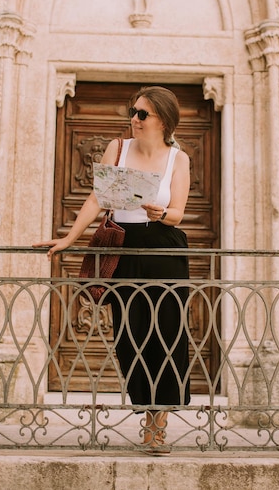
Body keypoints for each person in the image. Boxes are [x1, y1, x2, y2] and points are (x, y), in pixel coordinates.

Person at [33, 86, 191, 451]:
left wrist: (161, 213)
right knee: (131, 334)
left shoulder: (177, 160)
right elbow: (97, 198)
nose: (133, 119)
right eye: (133, 112)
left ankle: (158, 426)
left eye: (142, 114)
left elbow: (179, 212)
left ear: (162, 120)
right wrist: (70, 238)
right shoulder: (117, 149)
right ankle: (145, 409)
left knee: (167, 333)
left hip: (164, 247)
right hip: (123, 246)